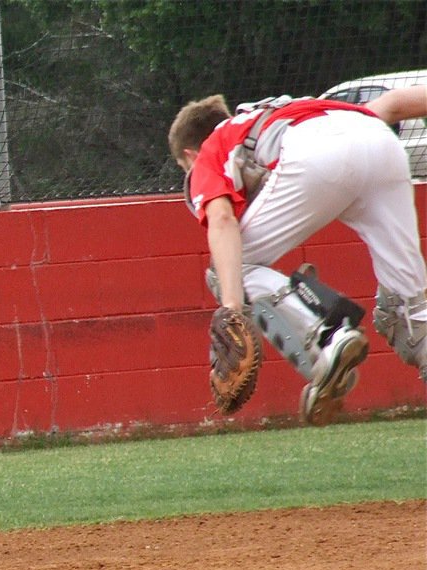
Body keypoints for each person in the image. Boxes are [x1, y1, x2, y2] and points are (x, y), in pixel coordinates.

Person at [168, 84, 427, 424]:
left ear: (189, 155)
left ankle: (326, 341)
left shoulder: (210, 150)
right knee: (411, 315)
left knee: (226, 269)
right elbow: (392, 103)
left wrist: (232, 308)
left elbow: (221, 218)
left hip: (314, 156)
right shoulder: (280, 113)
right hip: (379, 144)